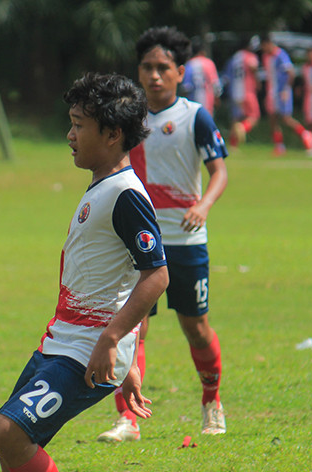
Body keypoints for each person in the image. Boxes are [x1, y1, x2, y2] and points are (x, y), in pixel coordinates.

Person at [0, 72, 168, 472]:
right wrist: (124, 356)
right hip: (64, 340)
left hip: (85, 350)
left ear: (113, 134)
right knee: (11, 439)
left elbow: (156, 275)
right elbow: (118, 279)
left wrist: (113, 342)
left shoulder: (126, 194)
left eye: (79, 125)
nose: (69, 134)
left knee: (10, 430)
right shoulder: (103, 186)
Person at [98, 26, 228, 443]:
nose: (154, 75)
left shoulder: (195, 116)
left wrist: (202, 206)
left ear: (180, 73)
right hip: (138, 243)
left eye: (163, 68)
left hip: (186, 241)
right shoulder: (127, 119)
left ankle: (211, 401)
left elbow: (219, 171)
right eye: (147, 67)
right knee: (132, 328)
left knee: (196, 328)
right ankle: (127, 419)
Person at [259, 32, 312, 155]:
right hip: (272, 92)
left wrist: (286, 89)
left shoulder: (281, 55)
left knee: (286, 118)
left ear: (268, 44)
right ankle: (279, 145)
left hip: (282, 91)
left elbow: (290, 72)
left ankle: (306, 134)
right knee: (272, 118)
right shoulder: (266, 57)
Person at [223, 36, 260, 147]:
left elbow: (226, 77)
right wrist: (257, 82)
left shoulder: (234, 58)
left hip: (234, 91)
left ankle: (233, 144)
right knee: (254, 116)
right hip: (247, 90)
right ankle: (243, 127)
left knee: (236, 117)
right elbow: (253, 68)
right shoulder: (250, 57)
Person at [182, 37, 222, 116]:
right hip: (208, 102)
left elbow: (186, 88)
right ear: (202, 51)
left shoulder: (189, 64)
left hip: (193, 102)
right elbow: (215, 84)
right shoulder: (209, 63)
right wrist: (217, 97)